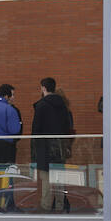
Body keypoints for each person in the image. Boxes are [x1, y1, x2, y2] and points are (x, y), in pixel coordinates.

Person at [32, 77, 72, 212]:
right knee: (59, 178)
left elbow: (35, 130)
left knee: (46, 179)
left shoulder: (41, 105)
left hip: (45, 147)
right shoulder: (63, 106)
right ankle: (60, 205)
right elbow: (68, 127)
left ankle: (46, 206)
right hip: (59, 146)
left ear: (43, 88)